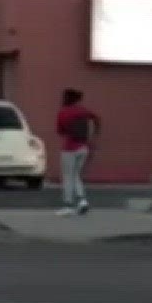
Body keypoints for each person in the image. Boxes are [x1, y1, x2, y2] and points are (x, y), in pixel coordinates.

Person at [54, 87, 99, 216]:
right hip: (83, 147)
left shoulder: (63, 112)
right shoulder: (83, 111)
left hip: (69, 148)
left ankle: (68, 205)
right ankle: (82, 201)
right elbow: (96, 119)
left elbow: (60, 131)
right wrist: (93, 135)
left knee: (68, 176)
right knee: (76, 175)